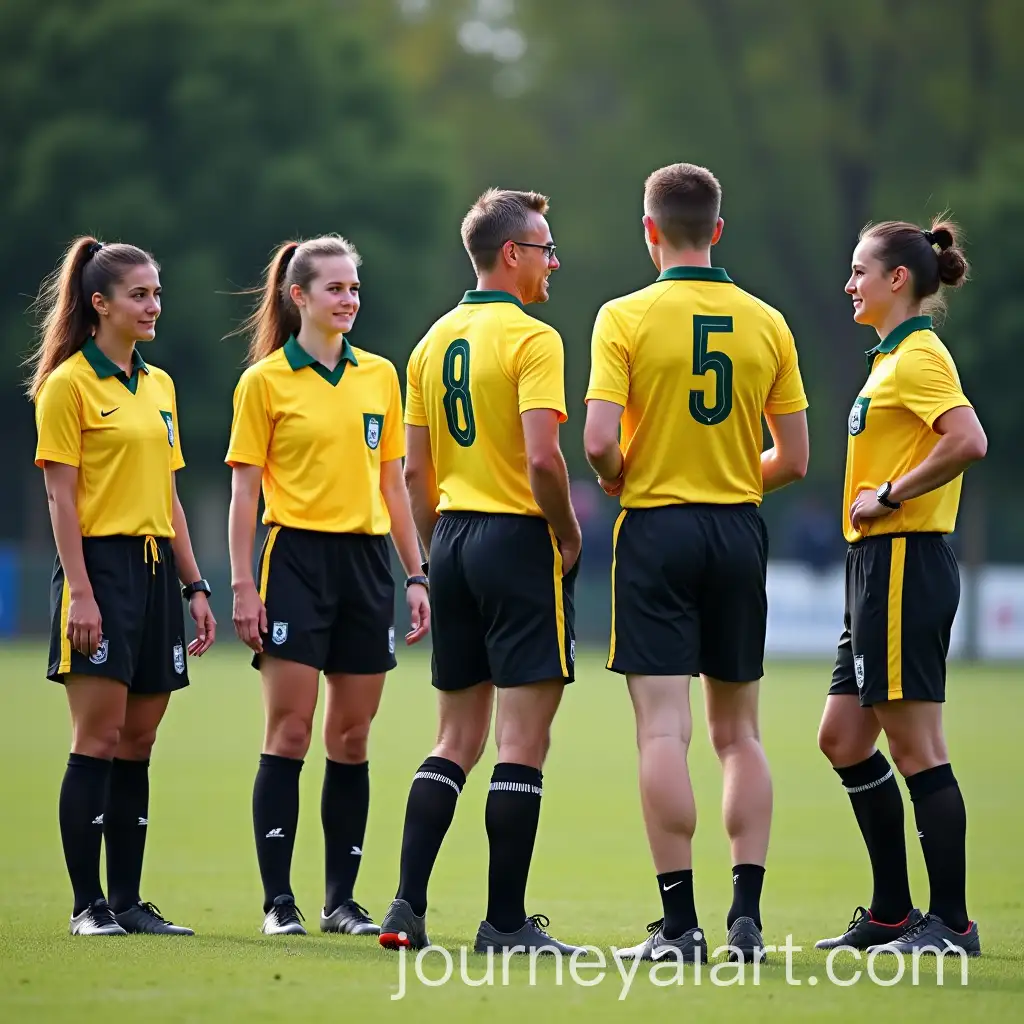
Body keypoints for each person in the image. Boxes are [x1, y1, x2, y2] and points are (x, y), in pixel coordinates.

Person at [583, 163, 809, 963]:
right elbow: (798, 457)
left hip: (656, 530)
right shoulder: (767, 321)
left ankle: (679, 929)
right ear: (718, 230)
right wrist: (732, 475)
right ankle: (746, 917)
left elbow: (600, 442)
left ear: (650, 231)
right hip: (737, 530)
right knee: (739, 734)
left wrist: (622, 480)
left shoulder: (623, 317)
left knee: (662, 734)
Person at [377, 189, 582, 956]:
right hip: (518, 538)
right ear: (510, 256)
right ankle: (504, 924)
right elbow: (541, 457)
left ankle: (404, 906)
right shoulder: (534, 338)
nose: (553, 262)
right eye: (544, 249)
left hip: (454, 538)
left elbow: (416, 476)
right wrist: (566, 534)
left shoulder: (430, 342)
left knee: (453, 738)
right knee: (520, 743)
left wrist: (434, 558)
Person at [226, 236, 430, 937]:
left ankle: (340, 901)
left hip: (367, 563)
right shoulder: (264, 383)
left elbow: (394, 487)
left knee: (351, 735)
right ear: (299, 297)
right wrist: (242, 584)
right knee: (291, 729)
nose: (349, 300)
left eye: (354, 288)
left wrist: (416, 572)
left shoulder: (380, 375)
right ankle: (277, 901)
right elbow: (244, 495)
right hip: (296, 561)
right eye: (335, 289)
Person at [28, 237, 216, 937]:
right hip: (98, 570)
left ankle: (130, 902)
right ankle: (88, 906)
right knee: (97, 737)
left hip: (155, 572)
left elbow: (167, 496)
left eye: (157, 294)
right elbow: (60, 499)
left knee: (139, 739)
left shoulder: (159, 385)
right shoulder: (68, 386)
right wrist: (81, 591)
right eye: (139, 295)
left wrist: (195, 586)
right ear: (99, 303)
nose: (153, 306)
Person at [815, 218, 986, 957]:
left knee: (917, 748)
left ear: (896, 281)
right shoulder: (890, 359)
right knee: (844, 738)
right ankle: (890, 913)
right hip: (874, 568)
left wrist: (888, 494)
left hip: (903, 561)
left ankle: (949, 923)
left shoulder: (918, 357)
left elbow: (968, 439)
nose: (849, 284)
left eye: (859, 271)